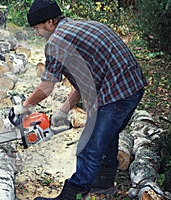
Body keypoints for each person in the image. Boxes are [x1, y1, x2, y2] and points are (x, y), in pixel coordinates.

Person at [14, 0, 148, 199]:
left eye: (38, 28)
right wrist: (64, 110)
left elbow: (46, 87)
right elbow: (85, 80)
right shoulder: (79, 27)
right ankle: (103, 183)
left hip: (119, 91)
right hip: (131, 85)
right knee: (107, 136)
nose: (37, 34)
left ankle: (72, 194)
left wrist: (24, 107)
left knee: (89, 144)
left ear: (50, 22)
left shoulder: (56, 41)